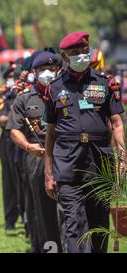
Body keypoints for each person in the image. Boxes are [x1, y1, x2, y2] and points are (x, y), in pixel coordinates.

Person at [44, 32, 125, 253]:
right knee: (74, 224)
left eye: (84, 51)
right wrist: (48, 172)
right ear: (65, 56)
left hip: (100, 162)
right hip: (68, 164)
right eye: (74, 53)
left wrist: (123, 158)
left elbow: (117, 124)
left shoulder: (105, 84)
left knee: (99, 222)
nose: (81, 56)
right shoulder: (54, 88)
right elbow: (50, 133)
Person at [7, 51, 62, 253]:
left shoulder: (66, 94)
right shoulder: (24, 99)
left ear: (58, 70)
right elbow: (14, 130)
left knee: (72, 208)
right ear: (34, 72)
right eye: (42, 69)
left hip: (67, 155)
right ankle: (50, 249)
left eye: (51, 69)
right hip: (37, 156)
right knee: (44, 211)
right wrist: (28, 147)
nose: (47, 73)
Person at [0, 66, 21, 231]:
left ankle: (26, 217)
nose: (12, 78)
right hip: (8, 140)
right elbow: (2, 118)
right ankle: (10, 219)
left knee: (23, 181)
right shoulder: (3, 95)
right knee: (9, 179)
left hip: (25, 140)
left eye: (14, 75)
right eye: (10, 76)